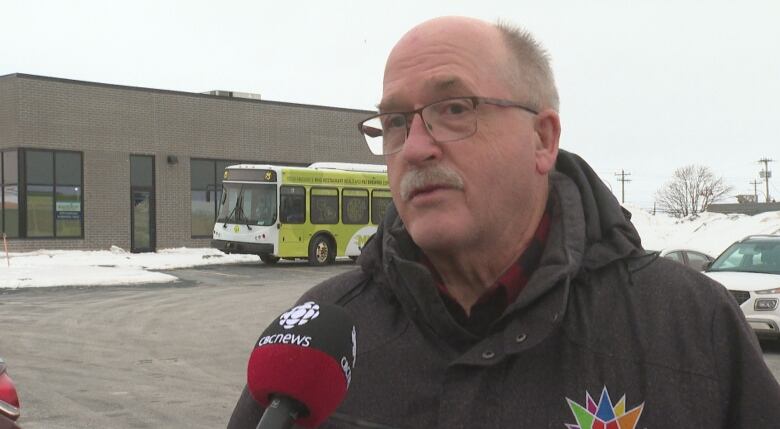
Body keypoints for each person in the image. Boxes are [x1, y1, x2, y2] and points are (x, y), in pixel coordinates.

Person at [228, 16, 780, 428]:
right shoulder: (319, 334)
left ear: (542, 139)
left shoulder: (690, 326)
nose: (416, 147)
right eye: (395, 121)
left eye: (455, 108)